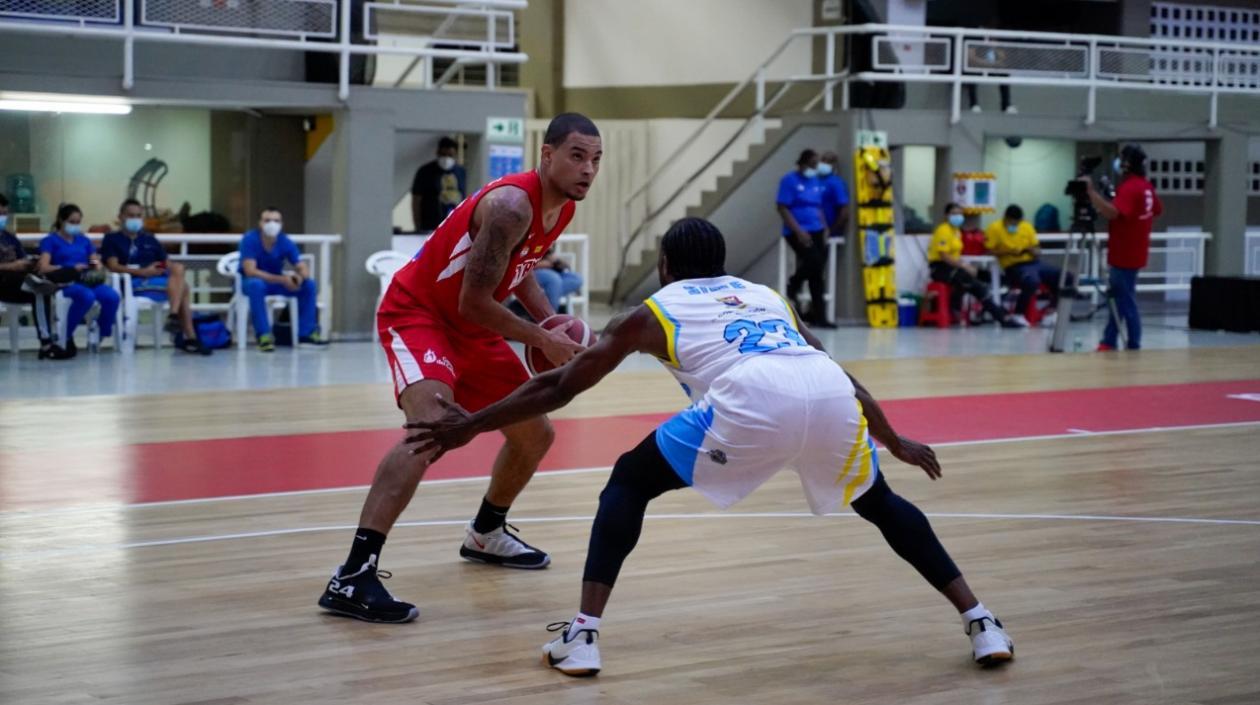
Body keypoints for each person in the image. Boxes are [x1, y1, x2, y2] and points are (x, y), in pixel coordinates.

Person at [404, 217, 1015, 676]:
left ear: (666, 265)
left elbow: (561, 384)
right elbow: (835, 372)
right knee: (879, 501)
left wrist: (472, 424)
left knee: (628, 482)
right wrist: (894, 439)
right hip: (829, 393)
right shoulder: (766, 295)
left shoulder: (652, 311)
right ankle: (981, 620)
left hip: (751, 399)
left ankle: (583, 636)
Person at [316, 113, 602, 624]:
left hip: (472, 330)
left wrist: (551, 325)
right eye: (577, 156)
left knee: (535, 433)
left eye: (596, 159)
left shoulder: (559, 209)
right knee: (428, 433)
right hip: (420, 313)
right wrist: (541, 339)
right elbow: (474, 302)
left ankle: (486, 532)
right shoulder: (513, 206)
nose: (588, 169)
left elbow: (518, 273)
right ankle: (353, 576)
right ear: (548, 155)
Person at [101, 198, 210, 355]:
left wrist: (164, 268)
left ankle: (175, 318)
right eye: (131, 215)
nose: (135, 219)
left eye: (138, 216)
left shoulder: (148, 238)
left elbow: (165, 262)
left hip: (154, 275)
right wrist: (143, 272)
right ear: (121, 217)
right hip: (134, 280)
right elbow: (113, 266)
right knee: (184, 288)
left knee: (178, 267)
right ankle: (189, 335)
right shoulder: (112, 239)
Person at [1081, 144, 1163, 351]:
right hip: (1137, 251)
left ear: (1127, 163)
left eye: (1121, 159)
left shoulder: (1130, 187)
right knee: (1118, 298)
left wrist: (1091, 193)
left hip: (1124, 253)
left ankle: (1134, 344)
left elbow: (1112, 213)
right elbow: (1156, 209)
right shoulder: (1145, 186)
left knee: (1125, 301)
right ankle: (1109, 340)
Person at [237, 207, 327, 352]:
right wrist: (283, 279)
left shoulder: (284, 241)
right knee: (256, 285)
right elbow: (250, 271)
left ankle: (306, 334)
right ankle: (264, 335)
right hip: (253, 282)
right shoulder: (250, 239)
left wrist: (298, 278)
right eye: (267, 220)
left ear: (281, 224)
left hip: (276, 283)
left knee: (309, 285)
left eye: (276, 221)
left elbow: (301, 266)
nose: (272, 224)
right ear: (260, 223)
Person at [37, 203, 120, 354]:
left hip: (86, 278)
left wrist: (96, 265)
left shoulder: (84, 241)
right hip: (66, 281)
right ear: (61, 221)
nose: (75, 226)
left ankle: (102, 331)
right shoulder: (50, 241)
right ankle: (66, 334)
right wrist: (69, 268)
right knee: (86, 297)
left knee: (112, 296)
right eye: (71, 222)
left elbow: (94, 259)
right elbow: (44, 267)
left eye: (78, 222)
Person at [929, 203, 1020, 327]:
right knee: (976, 285)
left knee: (986, 276)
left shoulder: (957, 232)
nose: (958, 217)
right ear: (946, 215)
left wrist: (967, 266)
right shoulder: (943, 230)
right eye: (954, 214)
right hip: (940, 268)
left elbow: (956, 254)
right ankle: (1001, 317)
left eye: (960, 214)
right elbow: (944, 256)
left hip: (954, 266)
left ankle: (992, 311)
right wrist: (964, 266)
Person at [0, 195, 67, 358]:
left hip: (17, 282)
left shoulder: (9, 237)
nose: (3, 218)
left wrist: (30, 263)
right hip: (2, 282)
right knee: (37, 286)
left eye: (5, 214)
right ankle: (44, 284)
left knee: (39, 292)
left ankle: (46, 344)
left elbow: (22, 258)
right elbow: (13, 265)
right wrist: (11, 266)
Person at [777, 149, 835, 328]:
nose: (815, 167)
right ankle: (793, 283)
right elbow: (782, 207)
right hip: (797, 231)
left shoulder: (815, 181)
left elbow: (818, 207)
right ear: (802, 164)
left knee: (818, 274)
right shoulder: (789, 181)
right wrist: (799, 231)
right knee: (814, 262)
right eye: (812, 164)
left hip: (817, 229)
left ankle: (821, 317)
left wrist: (825, 227)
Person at [984, 204, 1066, 327]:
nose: (1015, 225)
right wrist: (1009, 251)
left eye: (1017, 222)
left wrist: (1033, 251)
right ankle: (1018, 314)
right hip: (1013, 265)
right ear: (1005, 218)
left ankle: (1051, 310)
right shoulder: (994, 228)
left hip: (1034, 263)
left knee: (1065, 276)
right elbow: (988, 250)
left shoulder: (1026, 226)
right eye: (1012, 222)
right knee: (1032, 281)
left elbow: (1037, 249)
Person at [411, 136, 467, 233]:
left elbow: (463, 197)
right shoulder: (425, 171)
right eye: (443, 154)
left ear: (455, 155)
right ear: (438, 153)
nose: (446, 158)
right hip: (430, 225)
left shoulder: (461, 172)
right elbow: (416, 199)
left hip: (454, 224)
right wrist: (418, 226)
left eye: (450, 155)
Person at [533, 247, 583, 314]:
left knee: (576, 279)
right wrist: (544, 264)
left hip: (552, 270)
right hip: (534, 271)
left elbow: (551, 255)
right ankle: (550, 315)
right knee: (554, 280)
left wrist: (556, 260)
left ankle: (544, 304)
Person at [818, 151, 850, 237]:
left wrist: (832, 231)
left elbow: (844, 212)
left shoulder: (836, 182)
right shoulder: (814, 181)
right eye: (823, 160)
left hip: (829, 232)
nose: (824, 163)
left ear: (834, 165)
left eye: (829, 161)